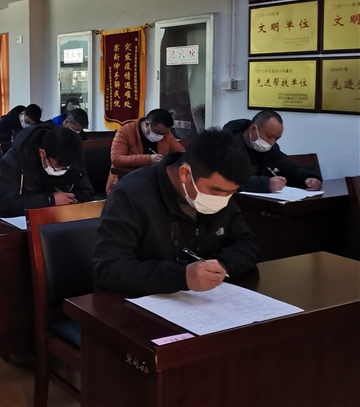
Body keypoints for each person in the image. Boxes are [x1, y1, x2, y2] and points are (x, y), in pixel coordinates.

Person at [93, 128, 258, 296]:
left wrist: (221, 266)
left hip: (204, 299)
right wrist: (182, 276)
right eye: (215, 192)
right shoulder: (131, 194)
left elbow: (247, 244)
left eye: (230, 193)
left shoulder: (222, 196)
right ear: (185, 173)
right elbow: (108, 268)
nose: (222, 199)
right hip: (138, 301)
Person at [0, 124, 95, 216]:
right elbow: (8, 204)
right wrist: (50, 200)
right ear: (42, 153)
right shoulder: (14, 160)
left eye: (67, 167)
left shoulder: (72, 156)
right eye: (59, 167)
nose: (64, 170)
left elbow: (87, 193)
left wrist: (69, 199)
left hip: (61, 217)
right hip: (23, 220)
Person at [223, 110, 322, 192]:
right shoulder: (225, 146)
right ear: (252, 129)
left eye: (276, 138)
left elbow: (289, 168)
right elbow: (226, 179)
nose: (272, 142)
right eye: (269, 136)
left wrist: (308, 178)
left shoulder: (271, 150)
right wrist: (265, 184)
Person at [107, 109, 185, 194]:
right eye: (158, 133)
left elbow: (181, 153)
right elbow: (116, 159)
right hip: (127, 183)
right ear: (147, 124)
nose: (161, 137)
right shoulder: (125, 132)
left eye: (164, 134)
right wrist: (148, 159)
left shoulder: (165, 134)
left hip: (155, 182)